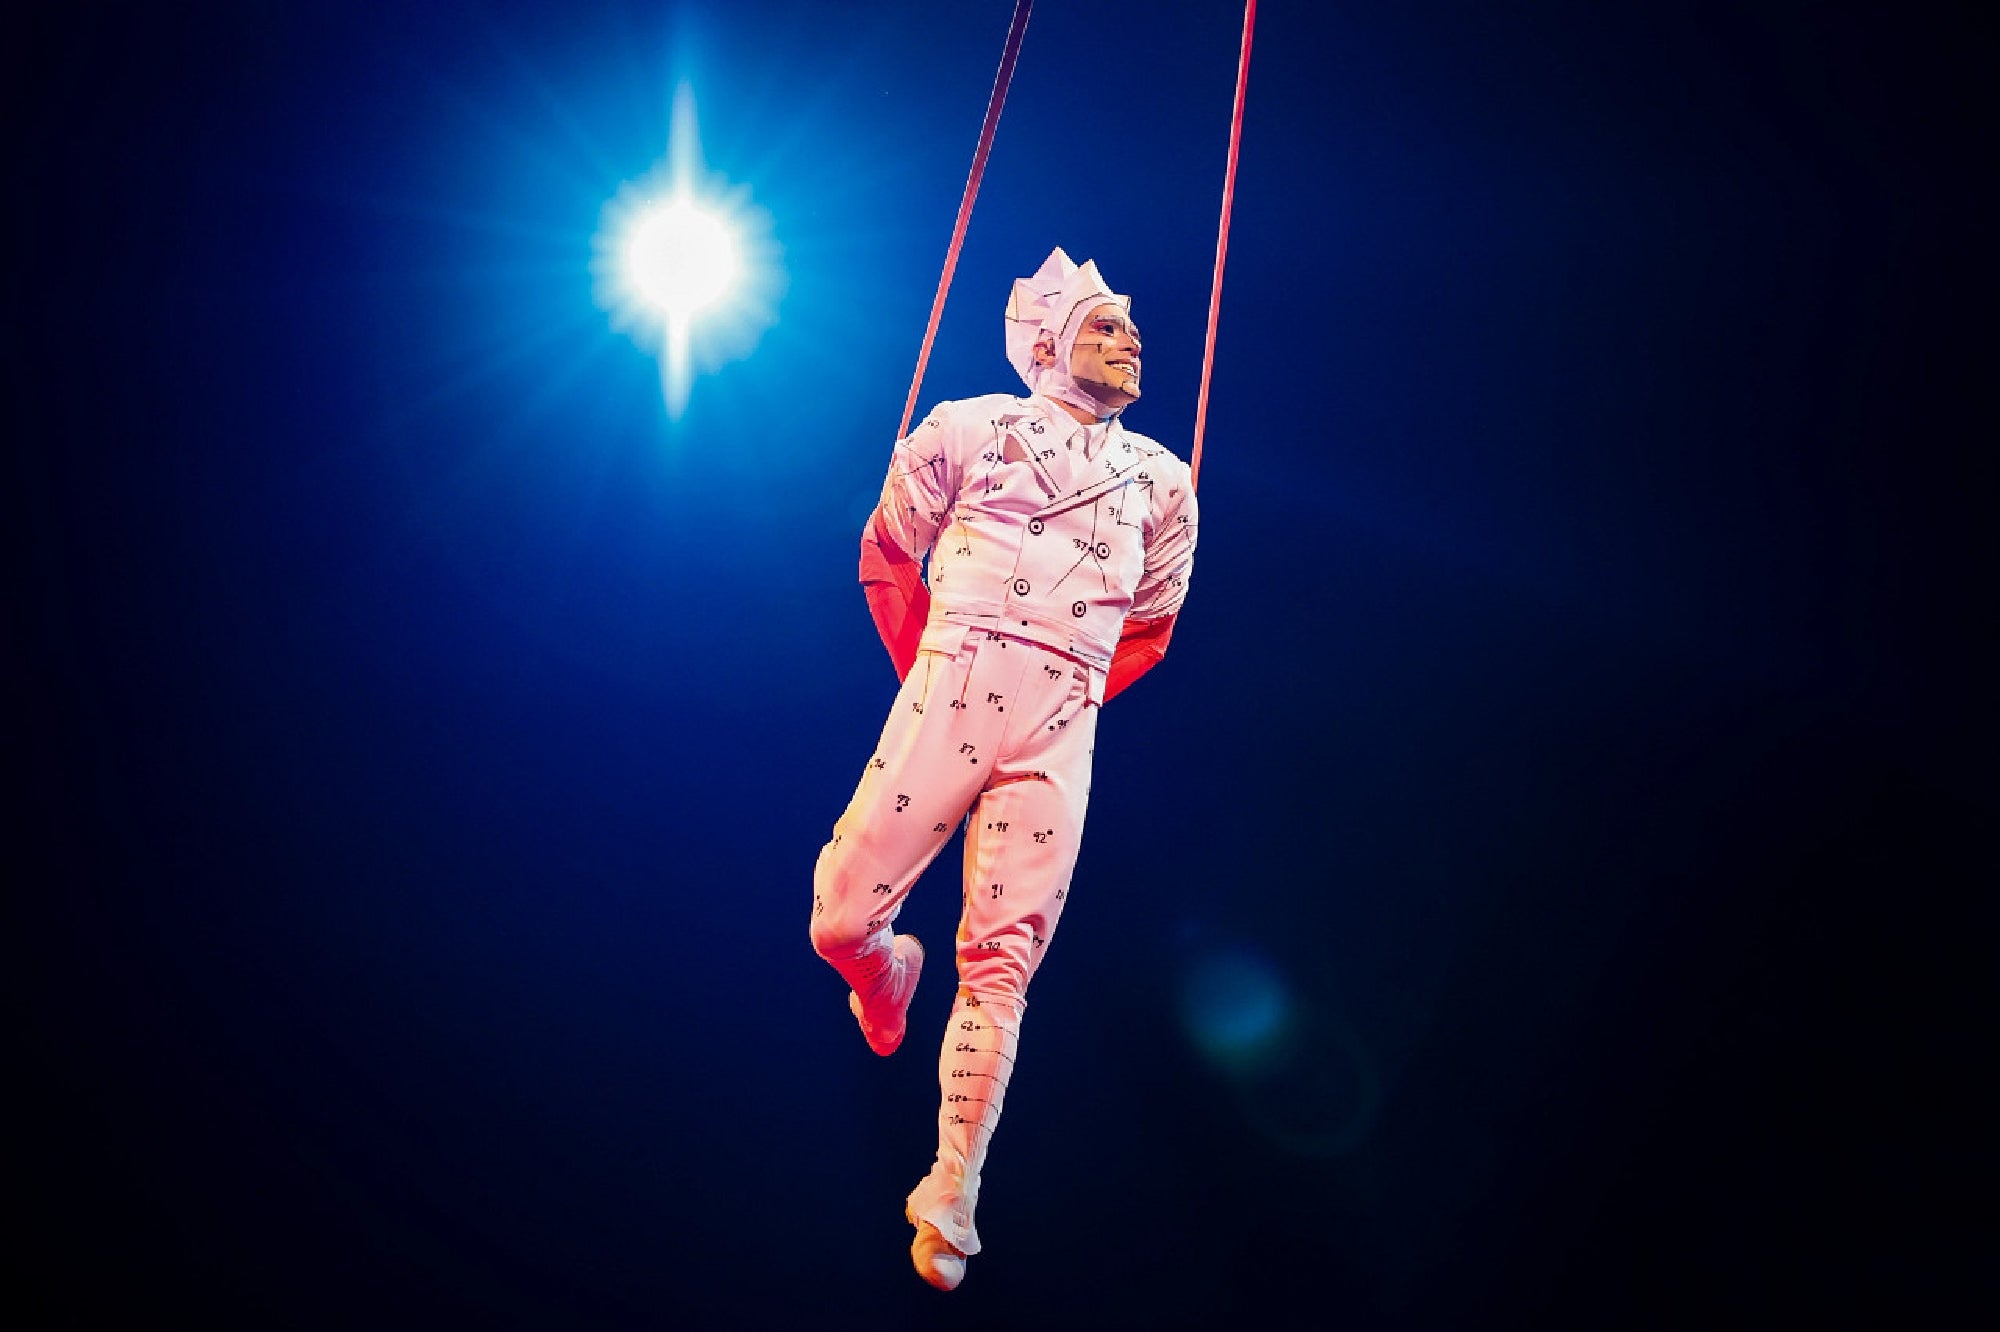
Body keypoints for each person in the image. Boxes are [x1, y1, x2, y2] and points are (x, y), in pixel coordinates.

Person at [809, 247, 1198, 1291]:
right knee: (839, 919)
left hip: (1057, 718)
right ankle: (885, 972)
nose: (1131, 338)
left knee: (1003, 959)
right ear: (1044, 342)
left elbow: (1149, 629)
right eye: (1106, 322)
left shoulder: (1165, 483)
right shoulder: (965, 427)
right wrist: (935, 681)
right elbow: (888, 552)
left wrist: (1054, 699)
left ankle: (953, 1187)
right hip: (950, 684)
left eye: (1130, 325)